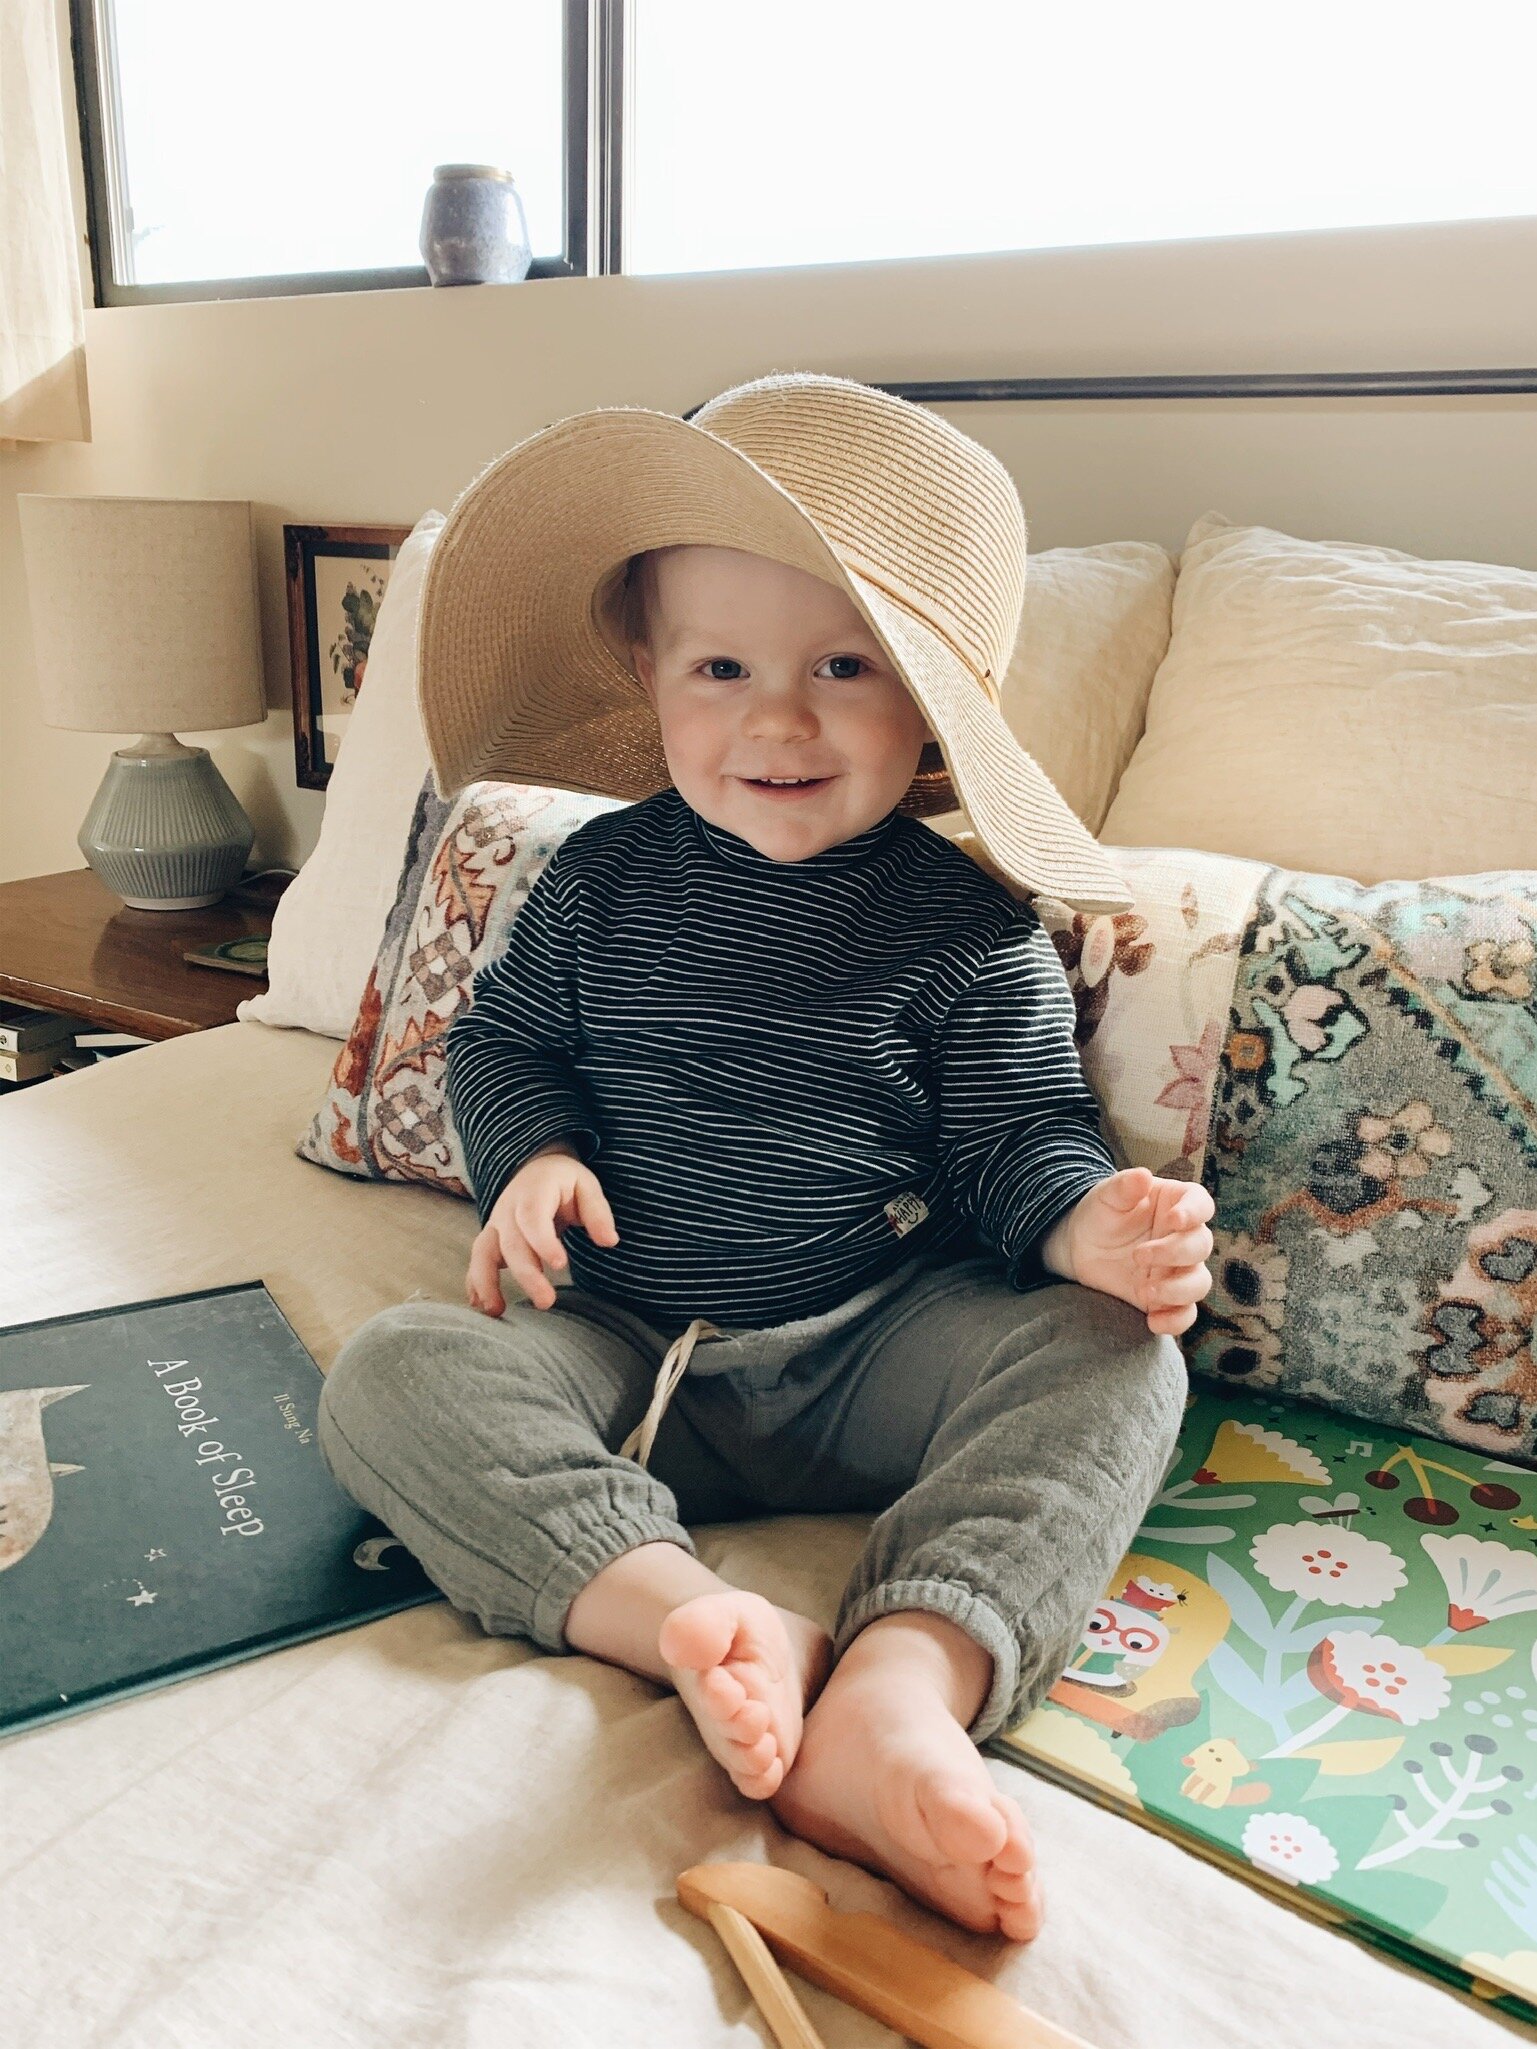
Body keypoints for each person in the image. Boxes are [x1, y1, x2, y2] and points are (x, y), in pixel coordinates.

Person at [316, 373, 1212, 1943]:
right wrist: (527, 1158)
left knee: (1119, 1360)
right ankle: (698, 1620)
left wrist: (1087, 1232)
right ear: (650, 679)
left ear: (927, 713)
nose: (776, 718)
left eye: (842, 667)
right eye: (720, 666)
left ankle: (899, 1681)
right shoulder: (596, 881)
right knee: (387, 1370)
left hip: (865, 1337)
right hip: (614, 1338)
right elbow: (502, 1043)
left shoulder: (965, 929)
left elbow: (1013, 1140)